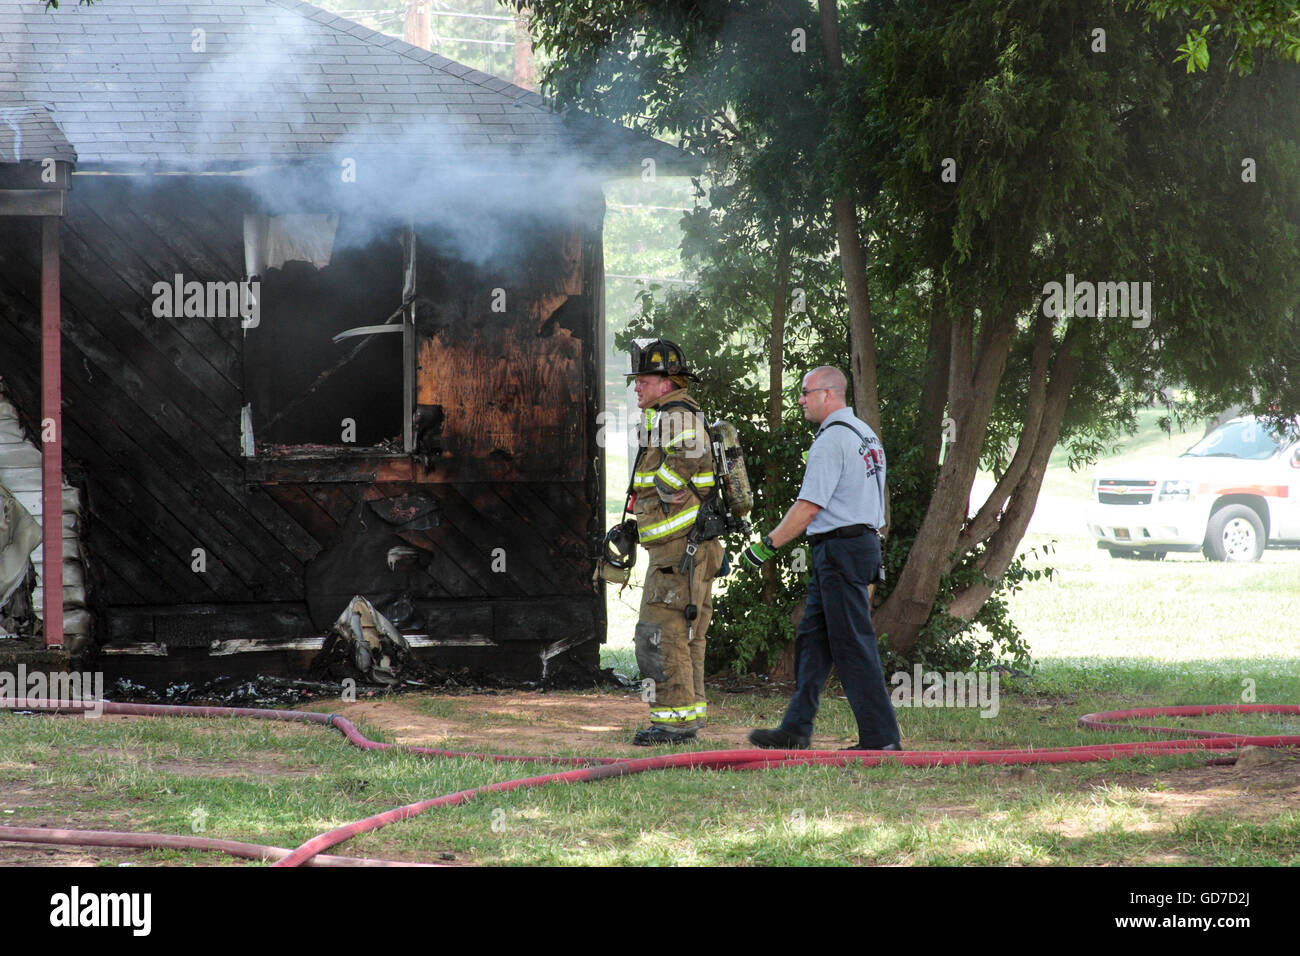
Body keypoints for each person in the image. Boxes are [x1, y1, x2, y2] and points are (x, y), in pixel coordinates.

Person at [742, 366, 901, 751]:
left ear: (828, 395)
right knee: (813, 639)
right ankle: (796, 729)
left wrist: (766, 546)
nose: (801, 399)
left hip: (840, 551)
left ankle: (881, 738)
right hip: (856, 546)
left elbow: (809, 506)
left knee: (852, 644)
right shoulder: (866, 435)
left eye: (806, 392)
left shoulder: (831, 441)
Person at [625, 338, 725, 746]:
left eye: (643, 380)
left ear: (665, 383)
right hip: (695, 548)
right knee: (690, 635)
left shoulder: (676, 417)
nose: (636, 387)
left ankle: (672, 725)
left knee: (658, 633)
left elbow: (685, 459)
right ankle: (687, 718)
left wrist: (666, 487)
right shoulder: (678, 414)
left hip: (678, 551)